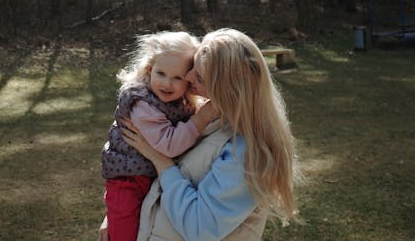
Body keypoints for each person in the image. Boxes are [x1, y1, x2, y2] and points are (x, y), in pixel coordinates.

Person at [99, 28, 298, 241]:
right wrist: (118, 210)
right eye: (193, 65)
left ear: (225, 89)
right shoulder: (205, 115)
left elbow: (200, 230)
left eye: (199, 77)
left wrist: (160, 161)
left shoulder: (245, 153)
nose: (187, 76)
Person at [102, 31, 220, 241]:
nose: (167, 84)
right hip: (127, 183)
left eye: (177, 78)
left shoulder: (174, 102)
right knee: (125, 235)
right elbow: (169, 145)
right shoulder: (143, 104)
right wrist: (201, 119)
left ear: (189, 81)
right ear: (150, 69)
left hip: (149, 178)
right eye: (161, 74)